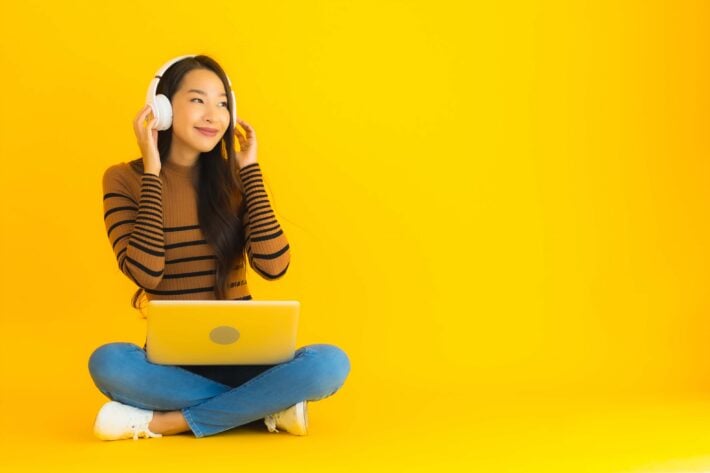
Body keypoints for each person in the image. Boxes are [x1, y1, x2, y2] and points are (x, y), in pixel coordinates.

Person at [89, 55, 350, 440]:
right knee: (109, 362)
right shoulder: (125, 178)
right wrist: (153, 172)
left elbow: (274, 265)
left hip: (247, 358)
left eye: (223, 103)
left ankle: (167, 422)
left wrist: (250, 172)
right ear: (161, 108)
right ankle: (266, 408)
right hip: (170, 366)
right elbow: (146, 272)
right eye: (198, 100)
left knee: (329, 364)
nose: (213, 114)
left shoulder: (235, 178)